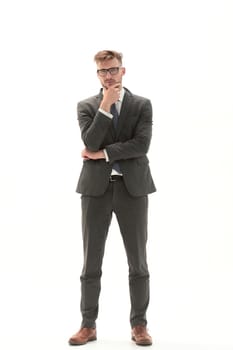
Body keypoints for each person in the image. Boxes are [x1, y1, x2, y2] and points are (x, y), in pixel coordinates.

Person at [69, 50, 156, 346]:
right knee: (91, 262)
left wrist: (104, 154)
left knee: (138, 262)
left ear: (123, 71)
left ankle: (139, 325)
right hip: (96, 190)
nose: (108, 75)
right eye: (103, 71)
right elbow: (90, 141)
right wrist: (105, 107)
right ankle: (88, 325)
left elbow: (141, 145)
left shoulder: (142, 105)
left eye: (113, 69)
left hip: (133, 189)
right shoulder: (86, 106)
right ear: (97, 74)